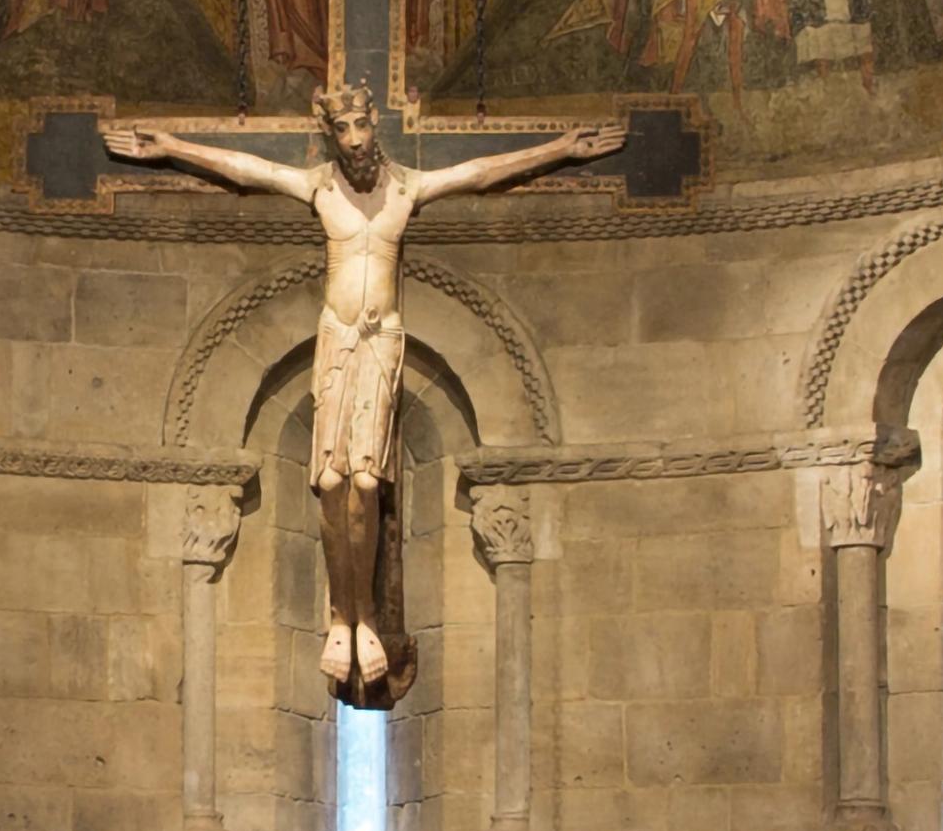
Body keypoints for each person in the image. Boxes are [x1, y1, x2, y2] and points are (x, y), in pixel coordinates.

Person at [102, 81, 622, 699]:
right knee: (328, 484)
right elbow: (248, 170)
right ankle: (339, 619)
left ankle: (365, 617)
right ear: (332, 135)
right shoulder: (320, 186)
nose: (352, 142)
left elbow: (481, 173)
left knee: (367, 483)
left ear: (375, 123)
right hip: (335, 340)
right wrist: (171, 147)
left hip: (380, 343)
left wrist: (560, 147)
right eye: (340, 131)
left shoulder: (407, 189)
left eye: (359, 127)